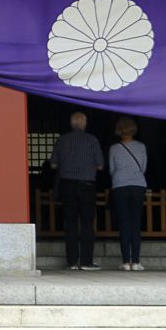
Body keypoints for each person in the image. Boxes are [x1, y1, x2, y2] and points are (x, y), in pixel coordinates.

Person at [51, 111, 104, 272]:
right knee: (87, 223)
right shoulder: (92, 140)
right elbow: (100, 165)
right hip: (87, 185)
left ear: (71, 124)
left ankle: (72, 262)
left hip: (67, 185)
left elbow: (53, 164)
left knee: (70, 223)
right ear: (85, 124)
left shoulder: (62, 140)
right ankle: (87, 261)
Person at [108, 116, 149, 272]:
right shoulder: (142, 147)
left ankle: (126, 261)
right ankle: (137, 261)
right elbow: (143, 167)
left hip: (120, 185)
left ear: (119, 130)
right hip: (138, 184)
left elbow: (111, 169)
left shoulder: (114, 148)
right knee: (136, 223)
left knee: (124, 223)